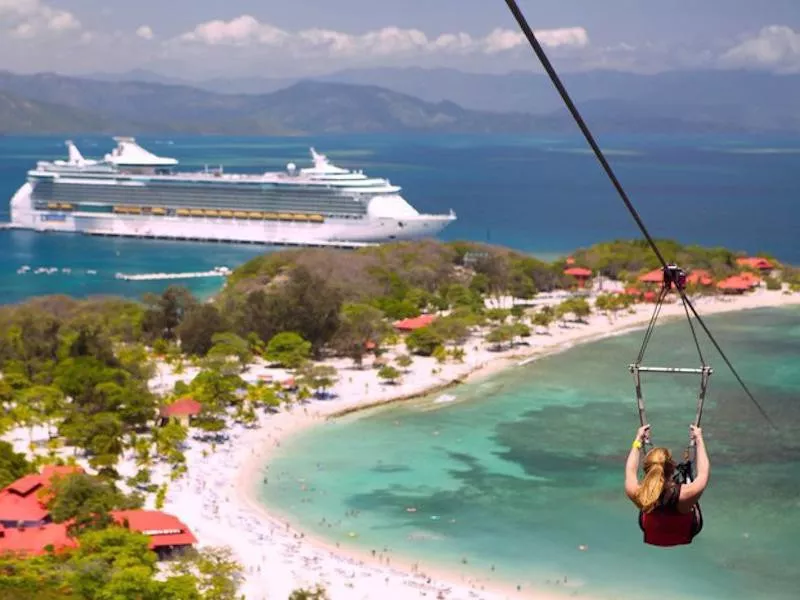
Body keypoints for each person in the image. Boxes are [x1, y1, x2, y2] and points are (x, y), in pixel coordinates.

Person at [624, 423, 710, 546]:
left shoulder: (637, 492)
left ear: (646, 468)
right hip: (685, 531)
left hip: (653, 532)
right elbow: (703, 472)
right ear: (673, 466)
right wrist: (699, 439)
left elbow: (630, 471)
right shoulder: (686, 494)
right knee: (689, 481)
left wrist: (638, 439)